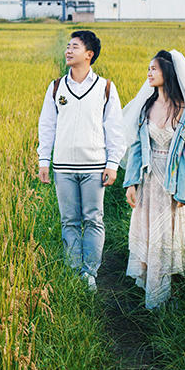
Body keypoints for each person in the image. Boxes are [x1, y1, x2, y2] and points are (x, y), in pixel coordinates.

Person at [120, 50, 185, 309]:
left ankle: (169, 297)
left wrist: (182, 191)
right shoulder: (147, 106)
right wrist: (131, 183)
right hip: (149, 181)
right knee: (151, 234)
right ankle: (153, 296)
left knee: (168, 235)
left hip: (172, 184)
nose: (149, 73)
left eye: (154, 68)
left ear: (169, 73)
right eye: (148, 68)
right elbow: (137, 147)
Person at [37, 30, 124, 292]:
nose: (68, 50)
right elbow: (47, 125)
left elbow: (115, 129)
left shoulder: (105, 88)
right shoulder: (56, 87)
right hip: (63, 167)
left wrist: (113, 164)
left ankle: (90, 273)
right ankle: (74, 270)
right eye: (67, 46)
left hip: (94, 167)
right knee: (69, 221)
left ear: (89, 54)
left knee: (94, 219)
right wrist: (44, 160)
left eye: (74, 46)